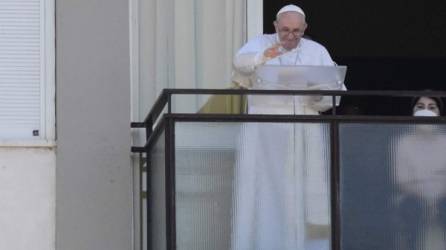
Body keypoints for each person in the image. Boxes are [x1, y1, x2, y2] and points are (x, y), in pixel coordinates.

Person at [231, 4, 342, 250]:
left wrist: (317, 95)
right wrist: (266, 56)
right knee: (266, 195)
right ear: (275, 27)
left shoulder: (317, 51)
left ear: (305, 29)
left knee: (304, 196)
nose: (290, 36)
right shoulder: (260, 43)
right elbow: (240, 64)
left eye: (296, 31)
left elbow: (336, 92)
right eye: (285, 31)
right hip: (266, 132)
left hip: (305, 131)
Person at [392, 96, 446, 249]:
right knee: (409, 207)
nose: (426, 111)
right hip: (414, 197)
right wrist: (426, 202)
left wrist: (436, 201)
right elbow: (402, 181)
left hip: (443, 197)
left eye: (432, 107)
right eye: (420, 107)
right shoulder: (403, 143)